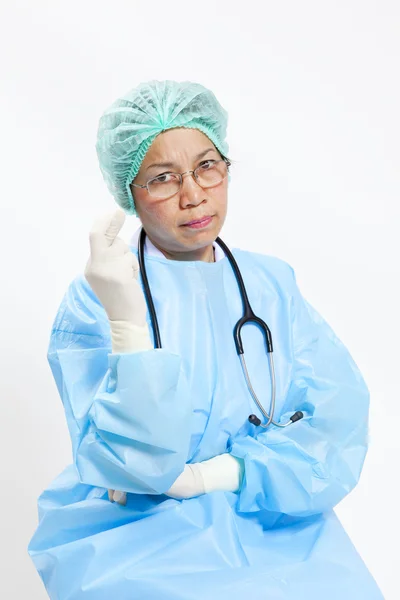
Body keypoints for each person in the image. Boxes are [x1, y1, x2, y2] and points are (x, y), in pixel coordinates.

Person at [28, 80, 383, 599]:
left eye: (207, 166)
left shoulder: (271, 286)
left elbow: (336, 419)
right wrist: (127, 323)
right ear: (129, 191)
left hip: (272, 516)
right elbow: (131, 467)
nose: (193, 194)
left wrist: (223, 473)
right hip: (136, 538)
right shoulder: (95, 299)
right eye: (162, 178)